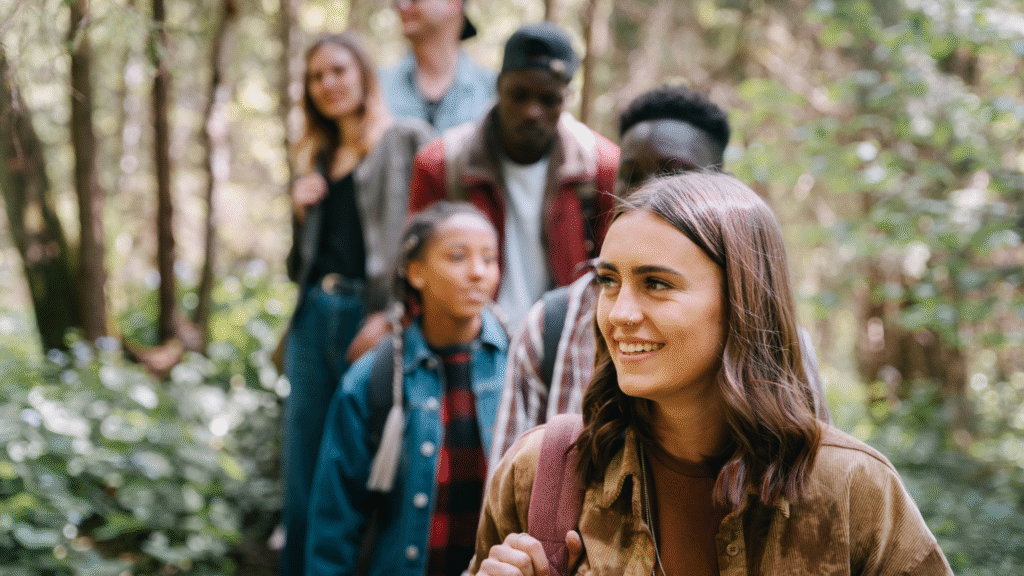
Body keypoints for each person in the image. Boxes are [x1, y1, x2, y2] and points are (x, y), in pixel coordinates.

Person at [471, 172, 954, 575]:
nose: (618, 313)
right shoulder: (542, 474)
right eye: (609, 281)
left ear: (742, 303)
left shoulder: (851, 490)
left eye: (656, 284)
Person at [281, 32, 432, 576]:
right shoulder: (316, 158)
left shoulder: (405, 141)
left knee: (363, 470)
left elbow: (427, 238)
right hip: (312, 318)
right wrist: (299, 217)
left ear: (365, 75)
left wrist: (392, 315)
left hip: (371, 320)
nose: (328, 85)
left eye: (339, 71)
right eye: (317, 77)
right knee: (301, 473)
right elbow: (298, 268)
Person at [306, 201, 508, 576]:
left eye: (489, 259)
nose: (478, 273)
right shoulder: (374, 380)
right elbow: (335, 521)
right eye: (457, 257)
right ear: (416, 273)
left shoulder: (521, 363)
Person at [409, 22, 619, 332]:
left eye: (548, 100)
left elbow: (614, 273)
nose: (532, 112)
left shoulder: (599, 167)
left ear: (566, 97)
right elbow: (416, 266)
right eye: (519, 95)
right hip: (475, 343)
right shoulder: (443, 164)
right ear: (498, 87)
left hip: (563, 343)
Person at [382, 0, 495, 133]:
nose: (402, 6)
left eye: (415, 0)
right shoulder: (375, 87)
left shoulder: (494, 91)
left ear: (453, 3)